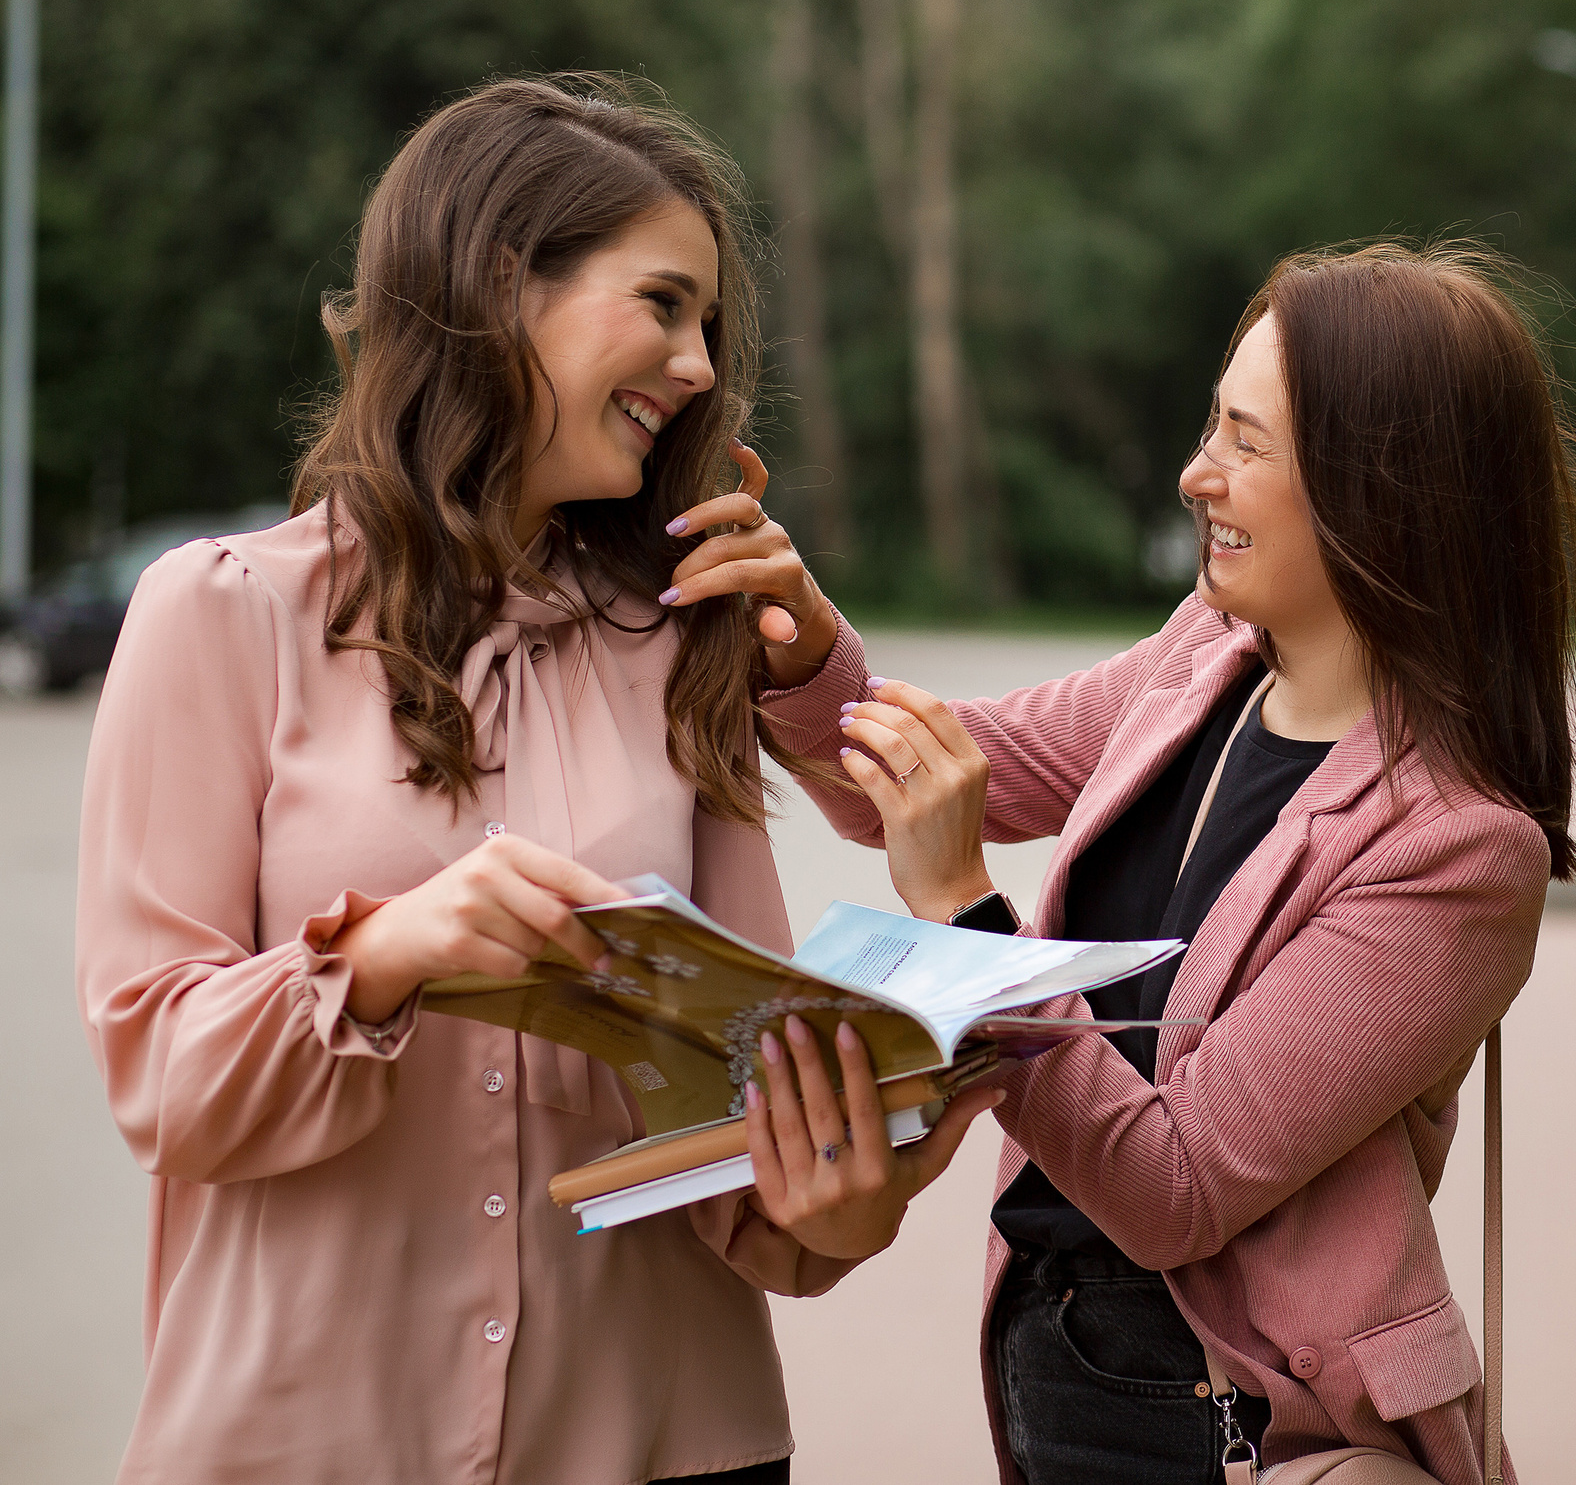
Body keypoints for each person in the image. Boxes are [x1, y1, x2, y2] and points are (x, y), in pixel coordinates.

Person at [76, 75, 993, 1485]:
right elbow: (164, 1084)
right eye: (664, 303)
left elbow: (735, 1112)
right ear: (502, 285)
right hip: (303, 1442)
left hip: (665, 1441)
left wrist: (844, 1197)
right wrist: (387, 950)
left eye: (708, 324)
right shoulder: (218, 614)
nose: (696, 364)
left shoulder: (680, 642)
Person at [743, 242, 1576, 1484]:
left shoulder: (1455, 850)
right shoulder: (1205, 657)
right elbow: (935, 776)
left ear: (1386, 490)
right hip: (1049, 1339)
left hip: (1226, 1408)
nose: (1199, 473)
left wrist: (961, 911)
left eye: (1246, 442)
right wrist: (792, 635)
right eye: (1213, 424)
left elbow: (1175, 1185)